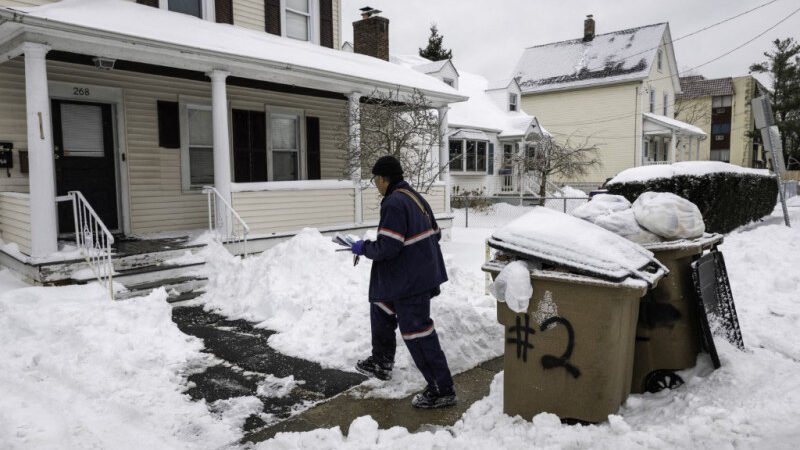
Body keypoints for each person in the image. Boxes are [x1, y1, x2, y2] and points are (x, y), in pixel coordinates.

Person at [350, 155, 457, 409]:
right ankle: (381, 362)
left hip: (411, 281)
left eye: (375, 178)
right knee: (380, 307)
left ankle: (442, 389)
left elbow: (389, 246)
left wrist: (362, 247)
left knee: (417, 331)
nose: (375, 183)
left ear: (384, 179)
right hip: (409, 275)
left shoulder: (395, 203)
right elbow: (436, 233)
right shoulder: (413, 197)